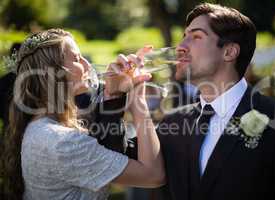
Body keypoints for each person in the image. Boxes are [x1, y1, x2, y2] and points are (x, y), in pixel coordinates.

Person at [155, 3, 275, 200]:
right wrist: (114, 97)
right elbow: (117, 163)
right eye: (184, 36)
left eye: (196, 37)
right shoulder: (171, 123)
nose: (180, 47)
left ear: (229, 52)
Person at [2, 29, 165, 200]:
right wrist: (138, 98)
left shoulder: (41, 126)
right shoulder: (61, 142)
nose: (87, 64)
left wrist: (113, 96)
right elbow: (153, 175)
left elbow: (112, 152)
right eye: (78, 58)